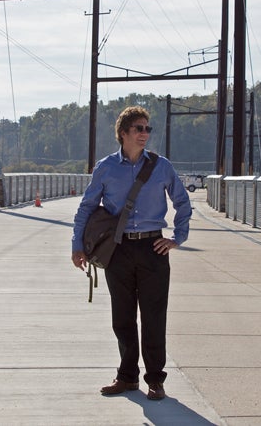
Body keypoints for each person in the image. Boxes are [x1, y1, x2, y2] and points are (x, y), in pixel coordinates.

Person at [71, 105, 192, 401]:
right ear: (123, 133)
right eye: (139, 128)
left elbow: (183, 202)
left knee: (153, 316)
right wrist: (77, 245)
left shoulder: (161, 165)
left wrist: (177, 238)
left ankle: (155, 380)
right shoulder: (106, 167)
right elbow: (86, 207)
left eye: (147, 128)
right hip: (119, 249)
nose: (144, 134)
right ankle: (126, 377)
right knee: (122, 317)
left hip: (153, 247)